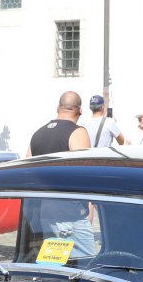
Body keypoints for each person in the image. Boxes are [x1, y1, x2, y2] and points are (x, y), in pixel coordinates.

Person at [25, 91, 95, 257]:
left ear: (58, 108)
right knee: (84, 265)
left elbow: (27, 170)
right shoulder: (78, 132)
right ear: (80, 110)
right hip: (70, 214)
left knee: (56, 264)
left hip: (46, 214)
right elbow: (85, 174)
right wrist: (89, 207)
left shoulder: (38, 134)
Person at [26, 91, 90, 156]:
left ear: (57, 107)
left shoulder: (36, 134)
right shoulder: (78, 132)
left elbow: (27, 161)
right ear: (80, 110)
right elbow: (84, 161)